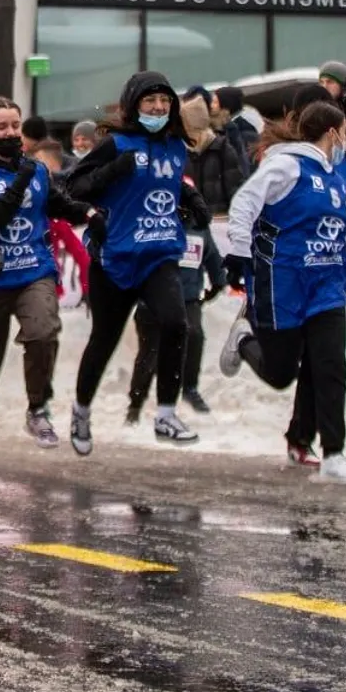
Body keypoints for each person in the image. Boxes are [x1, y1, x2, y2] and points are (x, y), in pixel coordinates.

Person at [220, 102, 346, 483]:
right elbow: (245, 203)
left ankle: (334, 454)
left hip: (327, 288)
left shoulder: (335, 179)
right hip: (285, 284)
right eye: (344, 130)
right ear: (332, 132)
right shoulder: (286, 165)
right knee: (281, 374)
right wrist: (238, 251)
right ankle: (245, 339)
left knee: (331, 367)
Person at [63, 71, 213, 450]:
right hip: (115, 257)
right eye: (150, 102)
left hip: (158, 254)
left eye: (165, 102)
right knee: (104, 340)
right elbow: (73, 186)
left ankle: (165, 414)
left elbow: (166, 180)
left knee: (176, 324)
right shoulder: (116, 144)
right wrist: (112, 171)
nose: (159, 108)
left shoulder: (177, 147)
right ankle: (81, 411)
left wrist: (190, 198)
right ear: (134, 106)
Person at [0, 96, 90, 469]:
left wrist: (91, 213)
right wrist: (17, 181)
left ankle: (37, 409)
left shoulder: (36, 170)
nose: (11, 133)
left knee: (43, 331)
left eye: (15, 126)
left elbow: (59, 205)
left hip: (34, 270)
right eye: (2, 127)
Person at [127, 203, 222, 423]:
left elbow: (213, 258)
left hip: (187, 298)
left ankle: (189, 387)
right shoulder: (152, 225)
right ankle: (136, 403)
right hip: (154, 298)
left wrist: (217, 283)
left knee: (194, 334)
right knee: (150, 352)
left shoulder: (200, 228)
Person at [183, 92, 246, 214]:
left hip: (220, 220)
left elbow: (235, 189)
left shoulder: (221, 148)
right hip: (192, 222)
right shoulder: (181, 151)